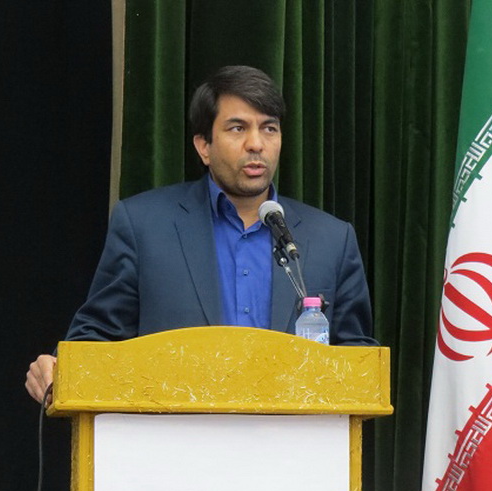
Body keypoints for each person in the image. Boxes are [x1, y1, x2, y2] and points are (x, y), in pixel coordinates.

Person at [25, 65, 375, 404]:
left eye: (269, 128)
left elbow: (358, 361)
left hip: (292, 436)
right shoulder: (144, 225)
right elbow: (98, 336)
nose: (256, 144)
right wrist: (59, 368)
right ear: (203, 146)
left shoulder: (332, 239)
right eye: (237, 128)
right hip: (177, 434)